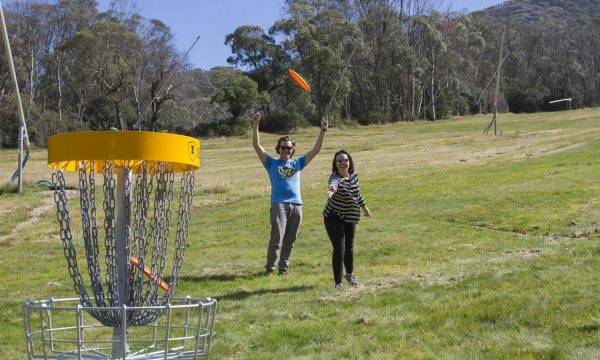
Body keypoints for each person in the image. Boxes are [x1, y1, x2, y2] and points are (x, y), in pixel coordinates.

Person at [251, 112, 328, 276]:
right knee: (277, 239)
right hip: (279, 203)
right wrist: (256, 124)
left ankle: (283, 269)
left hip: (297, 204)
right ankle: (270, 269)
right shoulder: (271, 162)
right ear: (278, 149)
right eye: (283, 147)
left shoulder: (298, 163)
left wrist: (323, 130)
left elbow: (316, 150)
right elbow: (257, 146)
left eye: (289, 148)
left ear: (293, 150)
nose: (286, 150)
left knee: (290, 240)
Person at [323, 150, 371, 288]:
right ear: (335, 164)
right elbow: (332, 187)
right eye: (340, 161)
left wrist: (365, 207)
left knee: (349, 246)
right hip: (333, 216)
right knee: (339, 248)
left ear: (349, 161)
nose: (343, 163)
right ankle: (338, 282)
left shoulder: (354, 176)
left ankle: (349, 274)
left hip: (350, 215)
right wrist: (331, 190)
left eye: (345, 160)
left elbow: (357, 193)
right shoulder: (334, 179)